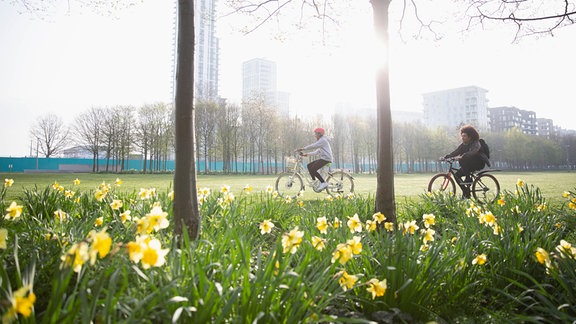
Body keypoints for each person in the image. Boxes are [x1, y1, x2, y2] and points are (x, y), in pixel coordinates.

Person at [443, 125, 490, 198]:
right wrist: (447, 157)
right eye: (462, 136)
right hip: (468, 165)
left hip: (478, 163)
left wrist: (462, 156)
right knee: (457, 175)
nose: (462, 138)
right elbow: (456, 152)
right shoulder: (463, 145)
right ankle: (466, 192)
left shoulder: (476, 143)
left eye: (464, 136)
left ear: (470, 136)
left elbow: (472, 152)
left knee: (463, 159)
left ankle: (468, 178)